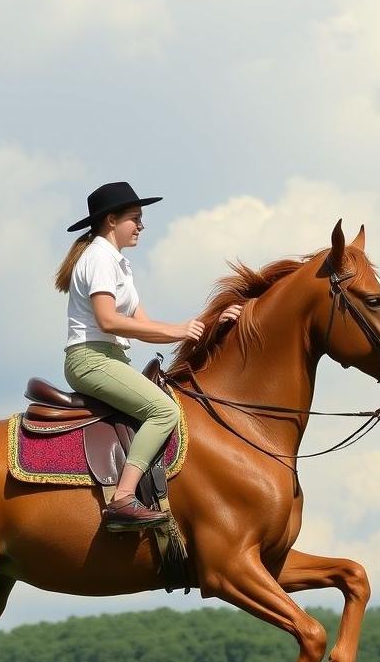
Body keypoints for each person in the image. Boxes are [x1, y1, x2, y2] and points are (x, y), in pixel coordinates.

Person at [55, 182, 241, 531]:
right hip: (90, 359)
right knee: (163, 410)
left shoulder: (118, 264)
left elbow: (144, 324)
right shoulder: (98, 258)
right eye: (135, 218)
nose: (141, 226)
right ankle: (122, 499)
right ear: (111, 220)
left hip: (111, 358)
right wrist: (180, 330)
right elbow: (108, 320)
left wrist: (209, 324)